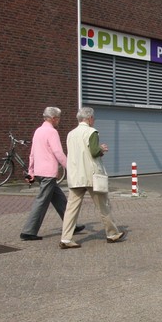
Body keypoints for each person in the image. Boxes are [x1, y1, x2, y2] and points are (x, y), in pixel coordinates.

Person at [59, 106, 125, 247]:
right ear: (89, 118)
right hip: (91, 176)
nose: (93, 120)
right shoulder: (92, 132)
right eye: (93, 118)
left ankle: (65, 239)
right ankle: (112, 234)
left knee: (71, 209)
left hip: (75, 176)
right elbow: (94, 152)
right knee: (103, 206)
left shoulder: (70, 134)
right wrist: (102, 149)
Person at [19, 107, 82, 241]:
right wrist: (70, 167)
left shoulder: (38, 131)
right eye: (58, 118)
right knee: (42, 201)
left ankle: (72, 225)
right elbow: (58, 152)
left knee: (60, 199)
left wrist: (31, 171)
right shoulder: (52, 132)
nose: (59, 121)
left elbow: (32, 153)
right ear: (53, 118)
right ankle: (28, 231)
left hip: (39, 171)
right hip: (48, 173)